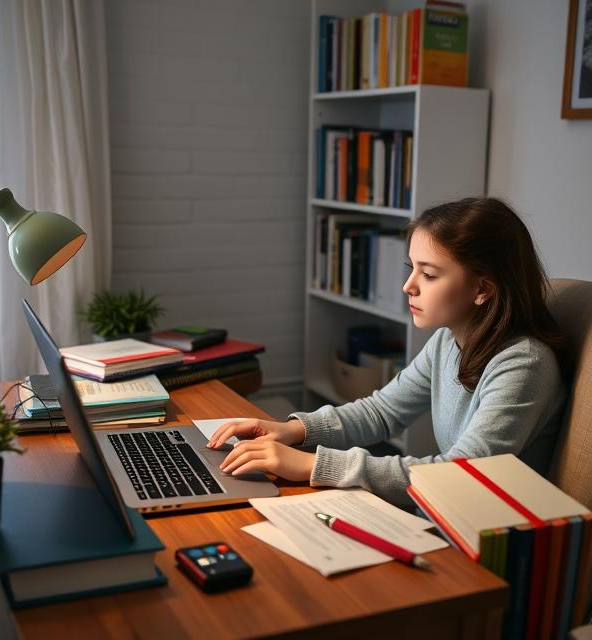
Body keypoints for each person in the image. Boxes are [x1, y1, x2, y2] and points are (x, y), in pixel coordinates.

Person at [207, 197, 570, 509]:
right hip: (437, 515)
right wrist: (293, 430)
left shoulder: (522, 365)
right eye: (411, 268)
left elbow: (462, 475)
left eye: (428, 275)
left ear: (482, 289)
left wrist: (311, 465)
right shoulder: (450, 340)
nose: (407, 286)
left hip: (481, 542)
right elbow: (382, 412)